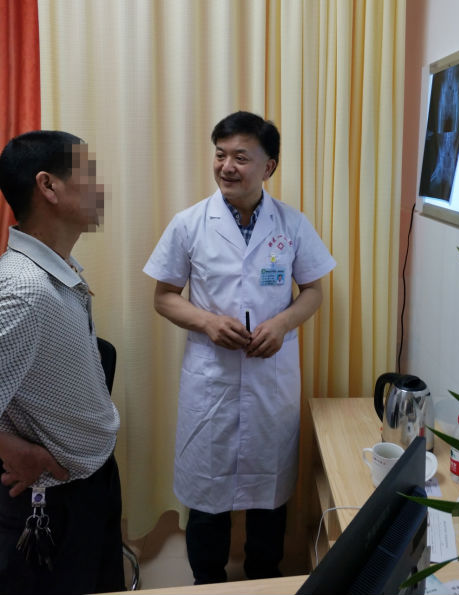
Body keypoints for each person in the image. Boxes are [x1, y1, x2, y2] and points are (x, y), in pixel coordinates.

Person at [143, 111, 336, 584]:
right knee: (207, 496)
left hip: (271, 379)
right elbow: (164, 297)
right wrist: (207, 322)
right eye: (220, 155)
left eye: (241, 157)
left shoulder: (291, 224)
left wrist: (283, 323)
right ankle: (207, 583)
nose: (227, 166)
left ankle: (265, 579)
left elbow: (313, 290)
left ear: (268, 166)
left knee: (269, 494)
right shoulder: (190, 224)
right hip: (212, 380)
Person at [0, 131, 124, 594]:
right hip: (51, 501)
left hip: (90, 483)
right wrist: (15, 451)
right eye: (89, 173)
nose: (101, 187)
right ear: (48, 186)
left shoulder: (60, 269)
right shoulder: (23, 291)